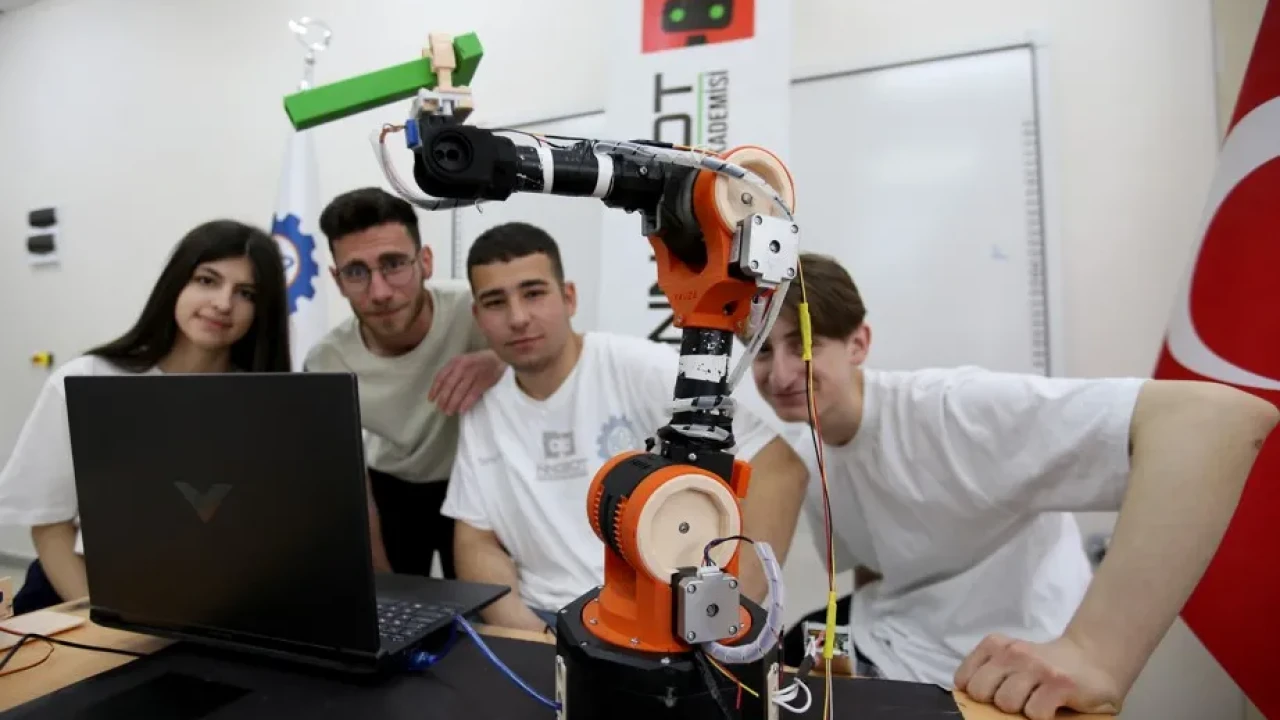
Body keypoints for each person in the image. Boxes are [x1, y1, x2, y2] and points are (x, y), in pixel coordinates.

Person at [752, 252, 1278, 720]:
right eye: (761, 350)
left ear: (858, 344)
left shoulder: (952, 410)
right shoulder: (803, 455)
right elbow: (873, 568)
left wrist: (1094, 654)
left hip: (1000, 655)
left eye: (803, 345)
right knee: (756, 675)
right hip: (893, 633)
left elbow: (1217, 420)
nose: (779, 375)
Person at [439, 221, 810, 633]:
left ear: (569, 297)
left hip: (650, 626)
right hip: (540, 621)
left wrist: (718, 619)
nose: (518, 318)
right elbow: (476, 537)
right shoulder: (483, 406)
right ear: (478, 316)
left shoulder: (639, 368)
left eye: (534, 293)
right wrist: (529, 633)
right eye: (495, 302)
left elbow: (781, 470)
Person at [0, 219, 292, 615]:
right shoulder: (87, 380)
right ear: (176, 283)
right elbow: (50, 526)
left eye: (246, 293)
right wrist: (108, 621)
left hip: (207, 605)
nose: (223, 303)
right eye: (207, 280)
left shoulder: (267, 402)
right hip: (82, 594)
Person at [304, 188, 506, 579]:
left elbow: (557, 353)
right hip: (390, 485)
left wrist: (500, 359)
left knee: (484, 600)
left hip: (477, 480)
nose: (379, 292)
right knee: (394, 599)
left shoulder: (477, 310)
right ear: (338, 281)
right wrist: (378, 572)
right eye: (356, 272)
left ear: (425, 261)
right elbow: (347, 478)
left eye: (394, 264)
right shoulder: (327, 362)